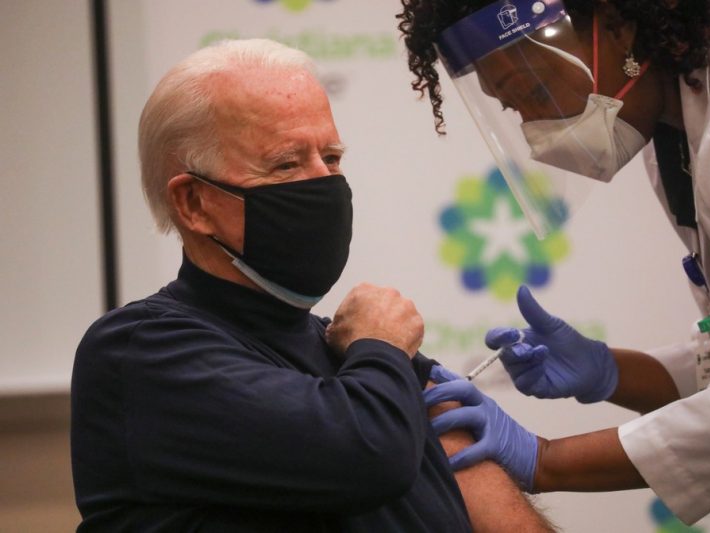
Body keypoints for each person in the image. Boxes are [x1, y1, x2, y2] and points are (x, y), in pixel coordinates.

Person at [71, 38, 555, 532]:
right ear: (194, 203)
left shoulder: (350, 349)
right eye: (286, 164)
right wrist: (383, 347)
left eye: (332, 157)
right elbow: (371, 455)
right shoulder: (142, 352)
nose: (325, 183)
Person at [393, 0, 710, 525]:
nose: (535, 132)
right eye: (514, 109)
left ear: (617, 24)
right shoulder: (674, 127)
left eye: (534, 91)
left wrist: (544, 459)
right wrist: (610, 372)